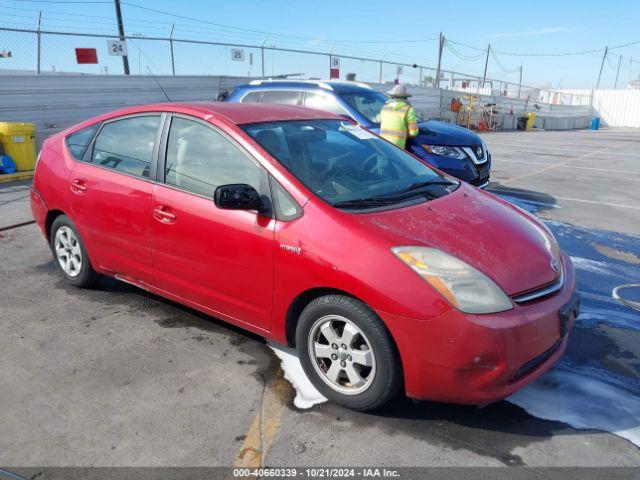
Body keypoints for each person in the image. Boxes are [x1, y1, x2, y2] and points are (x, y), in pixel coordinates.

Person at [379, 84, 419, 149]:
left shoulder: (384, 108)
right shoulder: (408, 109)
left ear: (391, 96)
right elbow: (413, 132)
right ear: (405, 97)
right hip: (398, 146)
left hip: (383, 143)